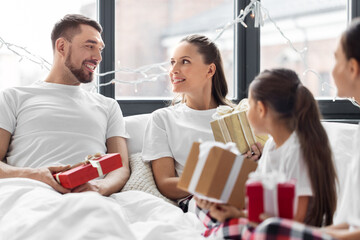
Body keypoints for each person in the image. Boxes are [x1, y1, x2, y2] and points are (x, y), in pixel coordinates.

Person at [195, 68, 338, 238]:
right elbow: (261, 205)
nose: (246, 113)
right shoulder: (271, 145)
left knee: (248, 228)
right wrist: (232, 210)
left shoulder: (297, 150)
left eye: (249, 105)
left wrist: (243, 218)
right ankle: (219, 227)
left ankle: (218, 230)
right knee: (202, 206)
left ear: (261, 109)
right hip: (268, 223)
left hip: (293, 231)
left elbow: (296, 221)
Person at [0, 14, 130, 196]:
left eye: (100, 49)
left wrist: (98, 188)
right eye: (90, 46)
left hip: (91, 197)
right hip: (29, 193)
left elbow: (121, 166)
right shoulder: (14, 97)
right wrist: (35, 175)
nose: (98, 57)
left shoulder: (108, 106)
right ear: (61, 46)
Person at [141, 35, 262, 211]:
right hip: (200, 201)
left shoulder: (239, 117)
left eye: (185, 62)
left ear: (210, 70)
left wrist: (258, 160)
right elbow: (166, 184)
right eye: (172, 62)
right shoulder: (163, 119)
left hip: (245, 196)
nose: (173, 70)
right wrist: (216, 180)